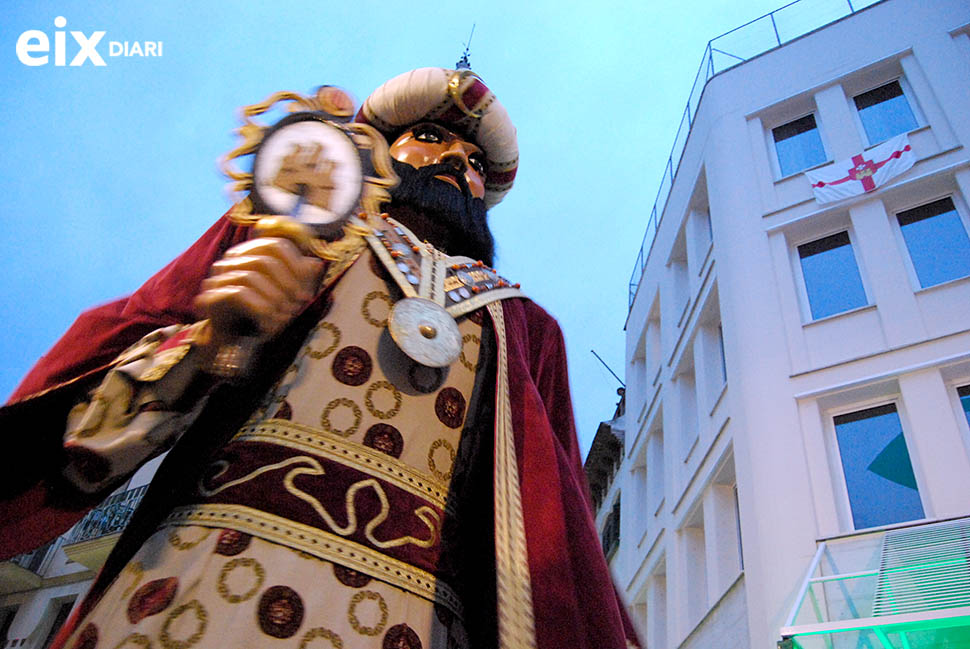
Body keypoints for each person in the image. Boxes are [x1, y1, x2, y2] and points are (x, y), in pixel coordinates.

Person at [0, 68, 640, 649]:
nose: (455, 162)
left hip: (410, 622)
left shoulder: (526, 328)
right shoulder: (296, 230)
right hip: (190, 586)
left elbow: (555, 535)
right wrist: (215, 344)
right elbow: (125, 356)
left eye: (475, 161)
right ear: (380, 150)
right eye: (429, 136)